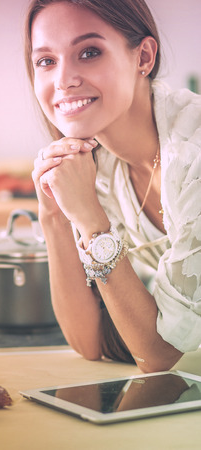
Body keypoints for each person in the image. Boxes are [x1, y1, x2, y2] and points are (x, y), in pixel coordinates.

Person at [25, 0, 201, 372]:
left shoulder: (193, 156)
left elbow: (157, 355)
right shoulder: (98, 165)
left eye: (88, 52)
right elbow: (89, 341)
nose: (63, 80)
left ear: (144, 57)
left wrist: (90, 219)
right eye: (45, 60)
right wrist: (53, 214)